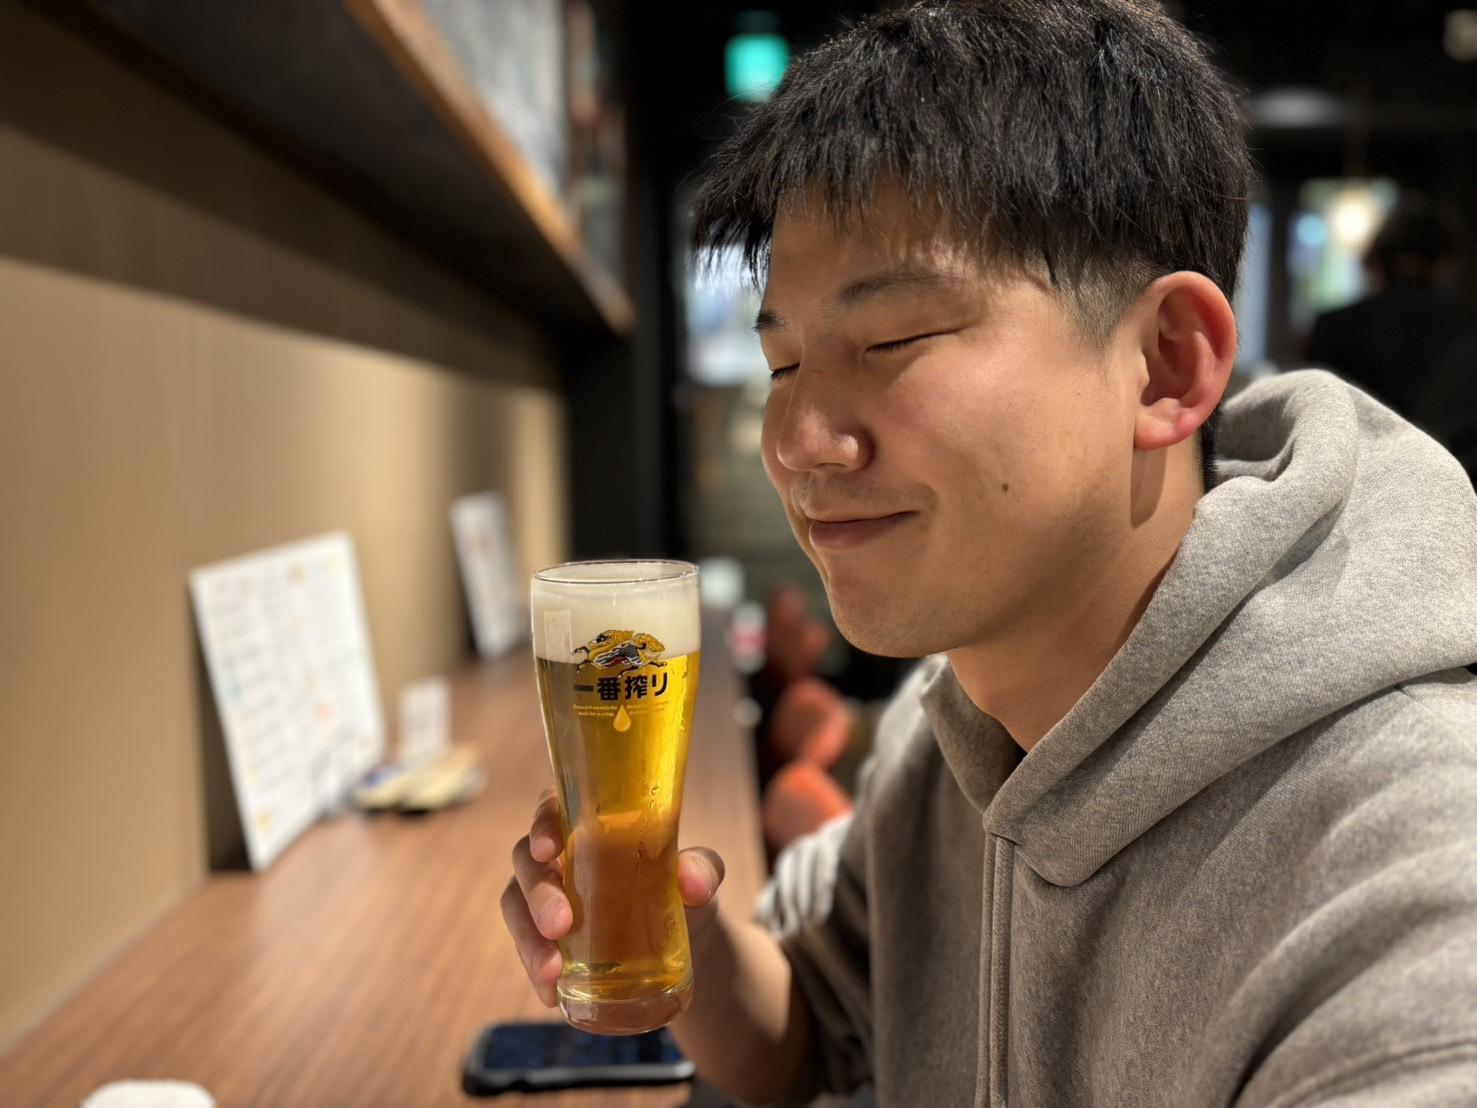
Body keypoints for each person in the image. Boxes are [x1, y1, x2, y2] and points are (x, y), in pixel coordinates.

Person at [503, 2, 1477, 1104]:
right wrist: (671, 935)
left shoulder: (1411, 900)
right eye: (782, 365)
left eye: (891, 340)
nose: (798, 441)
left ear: (1165, 364)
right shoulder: (954, 727)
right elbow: (816, 1033)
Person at [1305, 196, 1473, 418]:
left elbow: (1318, 413)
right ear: (1445, 263)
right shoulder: (1466, 328)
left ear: (1375, 264)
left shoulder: (1332, 327)